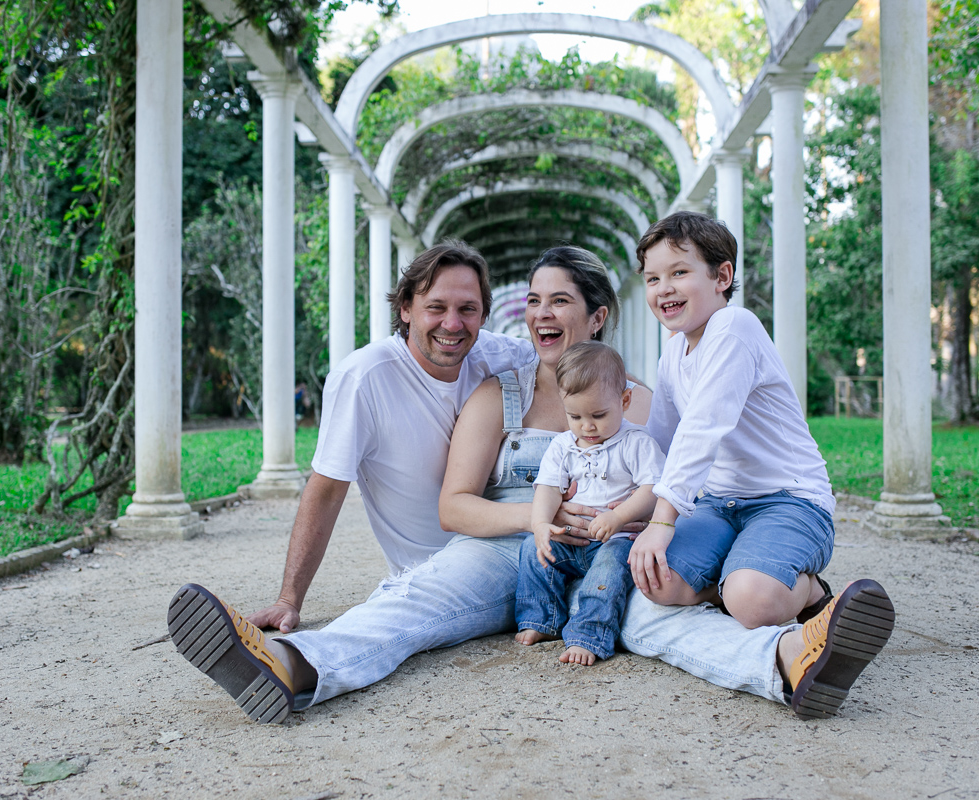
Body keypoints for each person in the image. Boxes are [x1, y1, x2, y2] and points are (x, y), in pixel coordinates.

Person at [168, 244, 894, 725]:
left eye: (561, 303)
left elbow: (681, 484)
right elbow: (456, 505)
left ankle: (788, 661)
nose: (543, 314)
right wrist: (537, 525)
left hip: (610, 546)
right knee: (417, 603)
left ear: (598, 318)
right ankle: (292, 667)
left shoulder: (642, 399)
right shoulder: (501, 389)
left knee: (655, 622)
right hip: (510, 546)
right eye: (534, 303)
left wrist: (635, 533)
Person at [628, 211, 838, 632]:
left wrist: (664, 519)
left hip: (789, 499)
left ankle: (811, 592)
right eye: (652, 279)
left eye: (679, 272)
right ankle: (739, 567)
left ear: (722, 276)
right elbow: (662, 440)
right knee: (656, 581)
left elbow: (702, 427)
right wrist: (630, 502)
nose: (663, 288)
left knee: (752, 603)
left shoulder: (734, 326)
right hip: (719, 504)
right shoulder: (673, 352)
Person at [515, 341, 665, 665]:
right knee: (532, 549)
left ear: (624, 401)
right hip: (574, 540)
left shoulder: (635, 442)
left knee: (609, 571)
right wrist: (541, 524)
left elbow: (653, 487)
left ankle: (589, 634)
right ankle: (541, 619)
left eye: (599, 415)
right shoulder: (562, 446)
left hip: (615, 539)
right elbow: (548, 488)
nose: (588, 426)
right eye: (576, 416)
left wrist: (619, 517)